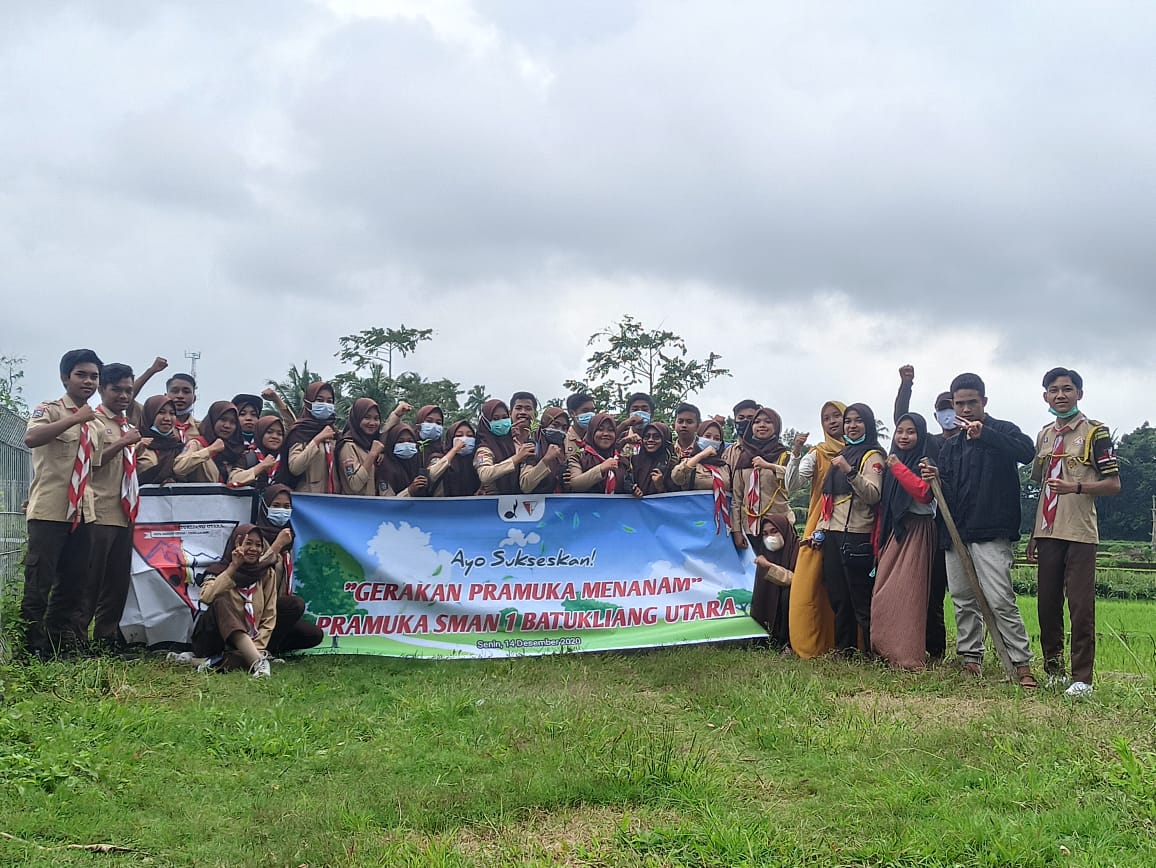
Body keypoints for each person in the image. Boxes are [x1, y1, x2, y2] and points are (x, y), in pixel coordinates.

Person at [921, 373, 1037, 688]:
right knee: (961, 597)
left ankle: (1020, 662)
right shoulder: (951, 445)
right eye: (960, 403)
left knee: (1000, 597)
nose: (967, 408)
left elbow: (1027, 453)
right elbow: (946, 488)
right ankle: (971, 658)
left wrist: (985, 434)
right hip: (955, 532)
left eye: (972, 402)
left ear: (984, 401)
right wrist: (934, 478)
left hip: (991, 530)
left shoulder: (1003, 430)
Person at [1026, 368, 1120, 697]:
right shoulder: (1044, 435)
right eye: (1054, 390)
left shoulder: (1095, 432)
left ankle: (1083, 678)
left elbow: (1113, 484)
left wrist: (1076, 486)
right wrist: (1035, 531)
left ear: (1079, 394)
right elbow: (1043, 488)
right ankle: (1053, 669)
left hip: (1080, 531)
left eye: (1067, 389)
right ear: (1045, 397)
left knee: (1080, 606)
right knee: (1046, 605)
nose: (1060, 395)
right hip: (1048, 529)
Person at [21, 349, 105, 655]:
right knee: (39, 582)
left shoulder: (95, 424)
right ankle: (30, 648)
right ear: (65, 377)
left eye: (94, 376)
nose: (88, 381)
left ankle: (57, 644)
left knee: (74, 583)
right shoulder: (50, 410)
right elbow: (31, 439)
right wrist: (74, 420)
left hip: (83, 513)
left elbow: (91, 466)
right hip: (50, 511)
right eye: (81, 374)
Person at [78, 363, 143, 651]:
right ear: (102, 389)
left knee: (117, 582)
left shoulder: (125, 424)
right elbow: (90, 461)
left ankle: (105, 638)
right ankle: (76, 638)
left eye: (128, 390)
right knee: (90, 580)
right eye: (117, 389)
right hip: (100, 511)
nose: (124, 395)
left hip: (124, 513)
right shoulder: (93, 421)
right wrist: (123, 443)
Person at [894, 364, 957, 660]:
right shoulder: (932, 442)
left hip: (962, 524)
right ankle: (929, 649)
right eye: (942, 409)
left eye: (953, 407)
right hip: (933, 525)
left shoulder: (973, 440)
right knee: (927, 589)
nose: (948, 414)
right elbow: (903, 422)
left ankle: (946, 649)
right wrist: (906, 385)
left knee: (945, 592)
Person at [813, 403, 885, 655]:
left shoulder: (872, 456)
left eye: (858, 421)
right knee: (838, 597)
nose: (852, 426)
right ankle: (845, 649)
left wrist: (849, 471)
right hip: (833, 534)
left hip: (857, 535)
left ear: (868, 424)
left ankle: (870, 651)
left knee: (860, 598)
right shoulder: (844, 452)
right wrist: (820, 529)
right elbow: (828, 500)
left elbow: (873, 495)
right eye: (848, 421)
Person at [870, 413, 937, 669]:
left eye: (911, 432)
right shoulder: (890, 464)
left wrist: (898, 468)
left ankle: (906, 656)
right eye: (900, 431)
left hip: (918, 532)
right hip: (896, 531)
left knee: (909, 596)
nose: (904, 437)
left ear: (920, 435)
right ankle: (885, 649)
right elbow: (884, 507)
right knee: (883, 592)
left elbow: (924, 494)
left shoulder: (925, 462)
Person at [782, 400, 845, 659]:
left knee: (845, 585)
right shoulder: (817, 453)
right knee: (809, 584)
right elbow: (793, 485)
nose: (832, 421)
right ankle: (809, 644)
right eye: (826, 418)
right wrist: (796, 453)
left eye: (837, 416)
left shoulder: (862, 452)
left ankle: (849, 644)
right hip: (820, 523)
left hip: (853, 524)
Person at [193, 524, 278, 677]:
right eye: (248, 543)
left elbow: (269, 615)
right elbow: (207, 597)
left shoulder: (266, 573)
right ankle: (258, 663)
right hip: (215, 638)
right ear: (235, 544)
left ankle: (204, 661)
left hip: (250, 640)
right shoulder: (217, 570)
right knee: (220, 599)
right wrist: (233, 567)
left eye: (258, 545)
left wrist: (255, 649)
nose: (254, 548)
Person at [254, 485, 324, 655]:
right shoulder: (254, 536)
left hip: (275, 609)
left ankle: (271, 647)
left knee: (313, 635)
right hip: (255, 609)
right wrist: (276, 545)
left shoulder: (289, 538)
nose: (282, 511)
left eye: (286, 507)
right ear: (265, 507)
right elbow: (252, 572)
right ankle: (261, 650)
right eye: (276, 505)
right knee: (295, 605)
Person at [729, 406, 792, 550]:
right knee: (754, 570)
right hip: (750, 529)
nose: (762, 425)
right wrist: (737, 530)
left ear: (776, 426)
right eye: (757, 422)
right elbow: (737, 499)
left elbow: (794, 480)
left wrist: (769, 466)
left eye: (768, 422)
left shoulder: (783, 455)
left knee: (777, 570)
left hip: (777, 527)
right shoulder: (744, 457)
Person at [277, 381, 338, 493]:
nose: (325, 405)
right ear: (308, 402)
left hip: (334, 501)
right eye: (319, 400)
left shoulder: (334, 433)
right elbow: (295, 468)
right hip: (308, 500)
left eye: (329, 401)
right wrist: (317, 439)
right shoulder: (300, 431)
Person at [670, 419, 732, 530]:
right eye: (707, 436)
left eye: (717, 439)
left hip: (720, 523)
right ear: (698, 438)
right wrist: (702, 455)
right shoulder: (690, 462)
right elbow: (677, 477)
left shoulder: (725, 467)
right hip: (693, 520)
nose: (712, 441)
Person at [751, 513, 798, 647]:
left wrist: (770, 567)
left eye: (774, 531)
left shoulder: (798, 549)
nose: (770, 537)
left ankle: (788, 642)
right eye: (765, 534)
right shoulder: (765, 554)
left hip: (795, 603)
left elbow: (796, 580)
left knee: (787, 594)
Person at [174, 401, 244, 483]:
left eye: (233, 422)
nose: (227, 425)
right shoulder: (198, 444)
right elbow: (178, 468)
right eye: (223, 419)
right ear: (213, 419)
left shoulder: (237, 449)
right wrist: (210, 450)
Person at [475, 399, 534, 495]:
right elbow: (484, 474)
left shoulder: (512, 443)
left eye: (504, 417)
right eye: (496, 418)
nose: (501, 421)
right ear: (486, 423)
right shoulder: (484, 448)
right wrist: (517, 458)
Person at [335, 398, 385, 496]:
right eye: (367, 417)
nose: (372, 423)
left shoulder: (369, 443)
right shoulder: (348, 445)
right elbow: (355, 485)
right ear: (357, 418)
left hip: (372, 506)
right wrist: (372, 454)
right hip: (355, 507)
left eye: (376, 418)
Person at [566, 412, 623, 493]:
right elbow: (574, 485)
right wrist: (601, 468)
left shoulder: (622, 460)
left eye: (611, 430)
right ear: (592, 432)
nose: (606, 434)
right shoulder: (579, 457)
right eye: (600, 429)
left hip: (618, 506)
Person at [520, 407, 571, 494]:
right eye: (555, 425)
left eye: (564, 427)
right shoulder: (532, 447)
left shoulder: (564, 451)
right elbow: (525, 485)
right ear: (544, 424)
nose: (560, 430)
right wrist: (546, 460)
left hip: (559, 505)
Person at [227, 416, 285, 490]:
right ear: (260, 433)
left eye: (279, 434)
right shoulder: (248, 457)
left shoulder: (285, 460)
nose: (275, 436)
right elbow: (233, 480)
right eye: (269, 432)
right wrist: (261, 466)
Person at [137, 395, 184, 485]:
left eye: (172, 413)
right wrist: (135, 452)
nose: (167, 418)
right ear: (149, 414)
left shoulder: (178, 447)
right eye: (161, 412)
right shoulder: (135, 444)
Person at [377, 423, 430, 496]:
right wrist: (410, 490)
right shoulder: (385, 466)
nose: (406, 445)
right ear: (392, 443)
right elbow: (387, 502)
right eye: (400, 441)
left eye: (410, 441)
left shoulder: (418, 462)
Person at [433, 420, 480, 497]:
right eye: (459, 435)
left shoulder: (477, 460)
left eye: (470, 436)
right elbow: (432, 475)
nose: (464, 439)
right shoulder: (440, 458)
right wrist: (455, 449)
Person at [629, 422, 674, 497]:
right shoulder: (634, 460)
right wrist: (633, 490)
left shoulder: (671, 464)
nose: (650, 440)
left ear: (664, 440)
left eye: (656, 437)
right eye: (646, 436)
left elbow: (676, 500)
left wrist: (660, 487)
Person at [721, 399, 760, 471]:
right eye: (741, 418)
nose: (745, 421)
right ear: (734, 422)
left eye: (750, 418)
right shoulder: (727, 452)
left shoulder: (768, 450)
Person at [165, 373, 199, 443]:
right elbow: (135, 401)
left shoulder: (201, 428)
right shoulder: (152, 420)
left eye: (186, 392)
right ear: (165, 396)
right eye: (175, 391)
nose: (180, 396)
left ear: (194, 398)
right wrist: (152, 370)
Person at [564, 392, 596, 458]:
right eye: (585, 411)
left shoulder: (597, 438)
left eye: (592, 411)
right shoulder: (564, 439)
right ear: (572, 413)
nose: (591, 414)